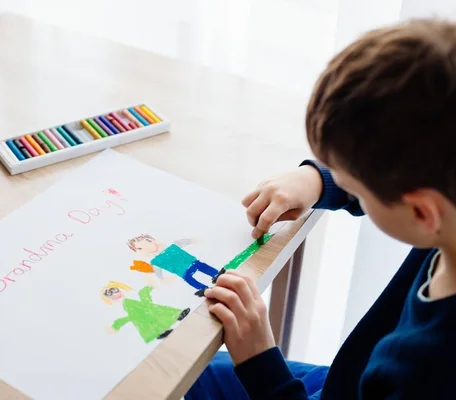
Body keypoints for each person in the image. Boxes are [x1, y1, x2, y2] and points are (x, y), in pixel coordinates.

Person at [186, 19, 456, 399]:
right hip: (347, 378)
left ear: (423, 213)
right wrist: (319, 179)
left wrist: (260, 359)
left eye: (352, 187)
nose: (345, 188)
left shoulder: (424, 371)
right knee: (197, 372)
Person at [127, 234, 220, 295]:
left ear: (153, 240)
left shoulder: (173, 246)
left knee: (203, 267)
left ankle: (215, 274)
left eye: (148, 241)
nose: (149, 247)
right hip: (182, 271)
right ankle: (203, 288)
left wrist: (192, 240)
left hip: (192, 262)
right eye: (140, 248)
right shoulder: (156, 261)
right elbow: (157, 270)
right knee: (190, 279)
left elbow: (182, 242)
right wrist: (161, 279)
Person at [102, 281, 190, 343]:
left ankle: (177, 316)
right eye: (110, 294)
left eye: (115, 290)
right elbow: (131, 315)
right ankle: (160, 332)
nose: (115, 294)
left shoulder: (130, 297)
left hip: (149, 309)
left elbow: (144, 299)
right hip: (143, 315)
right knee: (152, 320)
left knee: (160, 312)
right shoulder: (125, 304)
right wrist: (117, 325)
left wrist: (147, 289)